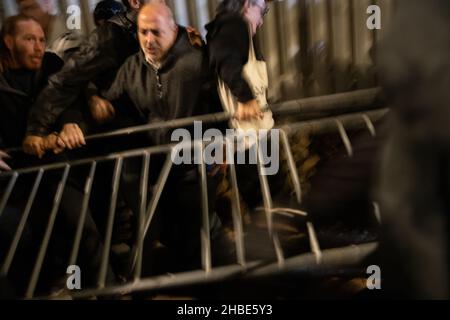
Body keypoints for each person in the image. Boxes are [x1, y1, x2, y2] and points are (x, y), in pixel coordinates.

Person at [96, 2, 223, 272]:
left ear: (172, 29)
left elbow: (220, 103)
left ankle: (210, 287)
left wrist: (223, 144)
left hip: (195, 162)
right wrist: (93, 101)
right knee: (167, 228)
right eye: (143, 32)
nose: (148, 40)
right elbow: (110, 101)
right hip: (158, 163)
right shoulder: (131, 68)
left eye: (156, 32)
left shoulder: (196, 60)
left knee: (195, 227)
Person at [23, 0, 158, 157]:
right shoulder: (109, 36)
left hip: (168, 134)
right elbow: (67, 80)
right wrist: (38, 128)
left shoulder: (173, 33)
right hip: (133, 137)